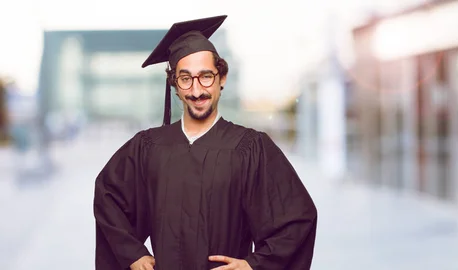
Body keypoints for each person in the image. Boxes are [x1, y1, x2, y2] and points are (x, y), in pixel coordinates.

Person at [93, 15, 318, 270]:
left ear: (221, 78)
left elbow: (297, 219)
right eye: (186, 78)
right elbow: (108, 195)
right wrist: (132, 254)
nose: (197, 90)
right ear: (175, 85)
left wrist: (253, 265)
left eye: (206, 76)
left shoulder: (250, 148)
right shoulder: (149, 147)